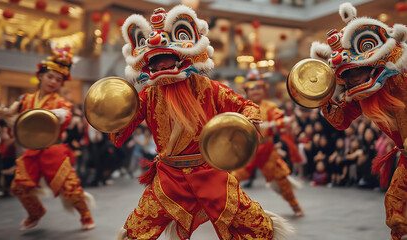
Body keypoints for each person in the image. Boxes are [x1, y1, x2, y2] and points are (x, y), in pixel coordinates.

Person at [110, 6, 293, 240]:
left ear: (181, 56)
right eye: (157, 62)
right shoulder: (147, 95)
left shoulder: (207, 87)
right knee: (136, 231)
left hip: (209, 171)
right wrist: (111, 117)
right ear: (149, 66)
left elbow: (246, 106)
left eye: (167, 59)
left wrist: (245, 124)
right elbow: (120, 130)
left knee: (257, 226)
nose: (163, 66)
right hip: (169, 177)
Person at [310, 3, 407, 239]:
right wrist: (322, 96)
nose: (351, 80)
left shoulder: (401, 78)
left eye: (354, 72)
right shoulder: (361, 95)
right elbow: (340, 121)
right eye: (346, 75)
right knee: (396, 213)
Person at [0, 47, 95, 230]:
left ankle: (85, 215)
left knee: (70, 188)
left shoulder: (62, 103)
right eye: (50, 77)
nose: (53, 81)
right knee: (19, 187)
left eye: (58, 79)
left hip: (53, 150)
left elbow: (66, 116)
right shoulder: (26, 99)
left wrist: (47, 114)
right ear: (40, 76)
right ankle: (36, 212)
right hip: (31, 150)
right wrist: (2, 114)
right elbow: (13, 119)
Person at [231, 74, 305, 217]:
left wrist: (278, 123)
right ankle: (227, 209)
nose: (256, 92)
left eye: (258, 88)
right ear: (247, 92)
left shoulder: (270, 107)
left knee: (282, 178)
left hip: (268, 150)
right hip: (249, 150)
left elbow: (281, 120)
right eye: (252, 89)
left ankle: (295, 206)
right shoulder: (242, 107)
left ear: (264, 90)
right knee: (233, 179)